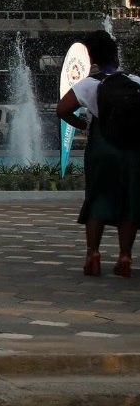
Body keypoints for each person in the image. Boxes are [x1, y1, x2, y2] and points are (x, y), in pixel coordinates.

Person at [57, 29, 140, 278]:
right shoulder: (135, 81)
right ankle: (125, 257)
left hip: (102, 146)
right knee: (129, 201)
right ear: (115, 56)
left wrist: (83, 125)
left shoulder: (89, 84)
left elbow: (62, 110)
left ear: (93, 59)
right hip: (132, 149)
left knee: (97, 198)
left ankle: (93, 253)